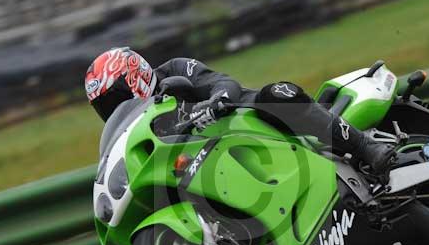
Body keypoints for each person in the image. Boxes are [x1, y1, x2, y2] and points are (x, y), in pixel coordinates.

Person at [85, 47, 396, 173]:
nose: (115, 108)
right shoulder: (142, 128)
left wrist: (216, 101)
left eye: (116, 98)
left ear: (135, 76)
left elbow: (222, 81)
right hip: (219, 161)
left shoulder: (176, 70)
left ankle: (365, 146)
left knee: (276, 94)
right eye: (107, 107)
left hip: (247, 120)